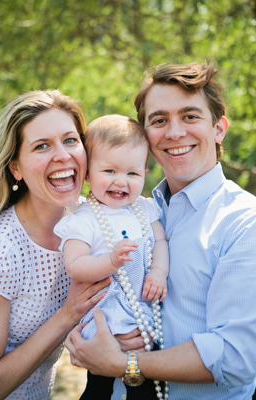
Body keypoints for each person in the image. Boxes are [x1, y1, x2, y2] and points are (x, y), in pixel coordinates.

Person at [65, 62, 256, 400]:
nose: (174, 133)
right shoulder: (136, 211)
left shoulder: (249, 224)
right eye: (159, 120)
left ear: (219, 129)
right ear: (146, 137)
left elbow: (234, 359)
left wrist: (126, 362)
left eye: (190, 117)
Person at [0, 90, 112, 400]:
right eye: (42, 146)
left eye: (70, 140)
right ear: (16, 168)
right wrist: (67, 316)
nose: (63, 156)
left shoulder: (92, 222)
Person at [53, 115, 170, 399]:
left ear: (144, 172)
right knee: (103, 386)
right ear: (88, 173)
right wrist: (110, 261)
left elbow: (161, 242)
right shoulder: (83, 220)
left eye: (132, 174)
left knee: (149, 385)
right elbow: (76, 265)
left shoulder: (146, 209)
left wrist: (158, 272)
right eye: (109, 171)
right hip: (107, 317)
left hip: (144, 312)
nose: (121, 181)